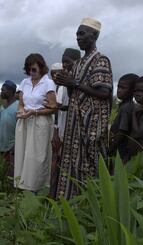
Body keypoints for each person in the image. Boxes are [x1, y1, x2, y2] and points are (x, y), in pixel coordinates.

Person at [54, 18, 113, 199]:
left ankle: (90, 206)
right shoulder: (78, 63)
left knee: (89, 164)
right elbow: (74, 95)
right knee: (72, 163)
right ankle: (70, 203)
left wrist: (75, 82)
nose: (78, 37)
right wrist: (66, 83)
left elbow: (104, 92)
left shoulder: (101, 60)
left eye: (82, 33)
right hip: (74, 124)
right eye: (77, 34)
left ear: (94, 35)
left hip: (91, 124)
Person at [14, 53, 57, 192]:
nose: (31, 73)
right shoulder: (24, 82)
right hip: (25, 121)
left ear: (41, 67)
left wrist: (35, 112)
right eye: (29, 70)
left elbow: (53, 107)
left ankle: (38, 187)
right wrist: (21, 111)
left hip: (40, 122)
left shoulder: (48, 82)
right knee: (23, 153)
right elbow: (21, 104)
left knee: (37, 156)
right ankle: (23, 185)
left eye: (34, 69)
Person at [48, 49, 81, 195]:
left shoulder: (75, 82)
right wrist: (56, 131)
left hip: (73, 132)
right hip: (62, 131)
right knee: (58, 162)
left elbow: (59, 107)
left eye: (67, 62)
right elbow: (58, 108)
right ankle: (53, 194)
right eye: (63, 62)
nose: (65, 66)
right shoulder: (62, 85)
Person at [109, 73, 139, 163]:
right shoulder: (125, 105)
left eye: (123, 88)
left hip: (120, 150)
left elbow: (122, 131)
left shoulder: (126, 108)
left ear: (133, 91)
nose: (119, 90)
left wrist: (111, 149)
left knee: (115, 173)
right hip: (121, 149)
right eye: (118, 87)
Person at [0, 80, 18, 178]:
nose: (1, 92)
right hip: (2, 145)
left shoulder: (19, 106)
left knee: (13, 171)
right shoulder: (2, 107)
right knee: (4, 170)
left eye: (3, 90)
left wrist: (16, 144)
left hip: (13, 146)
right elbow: (0, 127)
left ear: (11, 91)